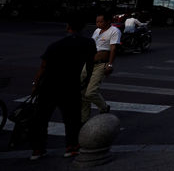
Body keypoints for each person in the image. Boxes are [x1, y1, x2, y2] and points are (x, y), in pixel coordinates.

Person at [29, 16, 96, 160]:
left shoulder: (55, 45)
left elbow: (43, 66)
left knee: (41, 118)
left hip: (49, 85)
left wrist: (35, 84)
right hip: (70, 85)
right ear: (83, 28)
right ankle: (71, 147)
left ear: (68, 27)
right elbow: (90, 65)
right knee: (72, 118)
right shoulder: (89, 43)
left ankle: (38, 149)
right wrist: (86, 82)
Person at [81, 12, 120, 123]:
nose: (98, 23)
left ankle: (104, 107)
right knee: (82, 91)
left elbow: (113, 49)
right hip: (89, 63)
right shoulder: (97, 31)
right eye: (97, 21)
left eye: (101, 21)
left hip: (101, 64)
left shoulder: (114, 31)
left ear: (108, 21)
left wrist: (110, 64)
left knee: (91, 92)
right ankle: (84, 117)